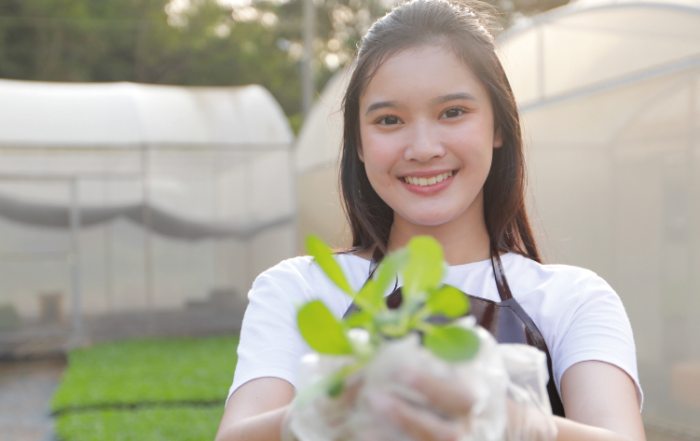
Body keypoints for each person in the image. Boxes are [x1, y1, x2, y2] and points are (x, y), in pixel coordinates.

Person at [216, 0, 646, 440]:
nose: (423, 147)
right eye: (389, 120)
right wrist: (333, 405)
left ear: (498, 126)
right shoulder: (300, 289)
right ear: (359, 144)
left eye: (453, 112)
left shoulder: (571, 300)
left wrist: (502, 418)